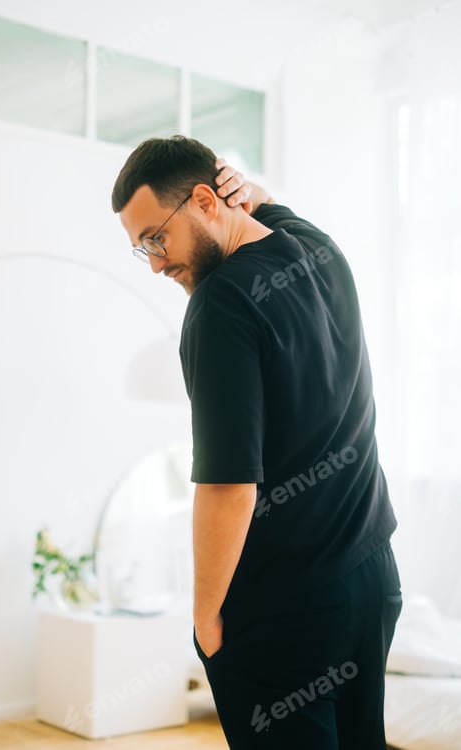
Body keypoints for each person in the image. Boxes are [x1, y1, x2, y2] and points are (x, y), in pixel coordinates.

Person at [111, 135, 401, 750]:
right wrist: (249, 189)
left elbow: (228, 482)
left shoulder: (220, 305)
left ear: (204, 201)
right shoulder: (320, 250)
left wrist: (205, 615)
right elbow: (266, 209)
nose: (157, 263)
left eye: (156, 238)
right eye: (142, 250)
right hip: (372, 579)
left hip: (285, 607)